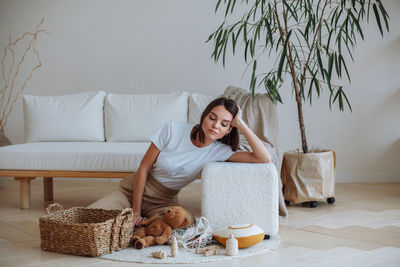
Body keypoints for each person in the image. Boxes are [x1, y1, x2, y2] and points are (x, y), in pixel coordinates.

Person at [88, 97, 271, 228]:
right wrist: (136, 211)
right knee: (89, 218)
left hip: (163, 202)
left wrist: (242, 124)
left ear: (230, 130)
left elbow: (264, 158)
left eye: (224, 124)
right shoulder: (173, 129)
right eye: (212, 118)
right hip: (132, 191)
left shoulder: (220, 151)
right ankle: (134, 222)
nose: (215, 126)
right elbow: (143, 169)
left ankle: (138, 226)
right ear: (205, 116)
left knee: (184, 221)